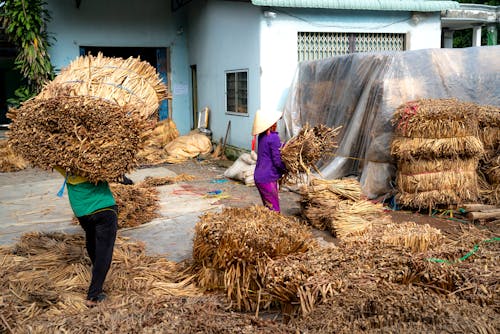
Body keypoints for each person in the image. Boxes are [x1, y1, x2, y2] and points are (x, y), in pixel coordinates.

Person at [54, 167, 124, 307]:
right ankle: (94, 295)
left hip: (82, 213)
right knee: (104, 251)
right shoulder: (97, 166)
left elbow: (47, 158)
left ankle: (96, 273)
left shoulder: (65, 167)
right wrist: (121, 175)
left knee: (92, 242)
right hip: (104, 209)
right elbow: (112, 167)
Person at [252, 109, 287, 212]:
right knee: (274, 211)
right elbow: (277, 161)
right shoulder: (273, 137)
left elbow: (271, 149)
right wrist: (285, 168)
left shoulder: (262, 136)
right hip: (267, 178)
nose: (275, 124)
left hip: (259, 177)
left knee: (268, 209)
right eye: (274, 122)